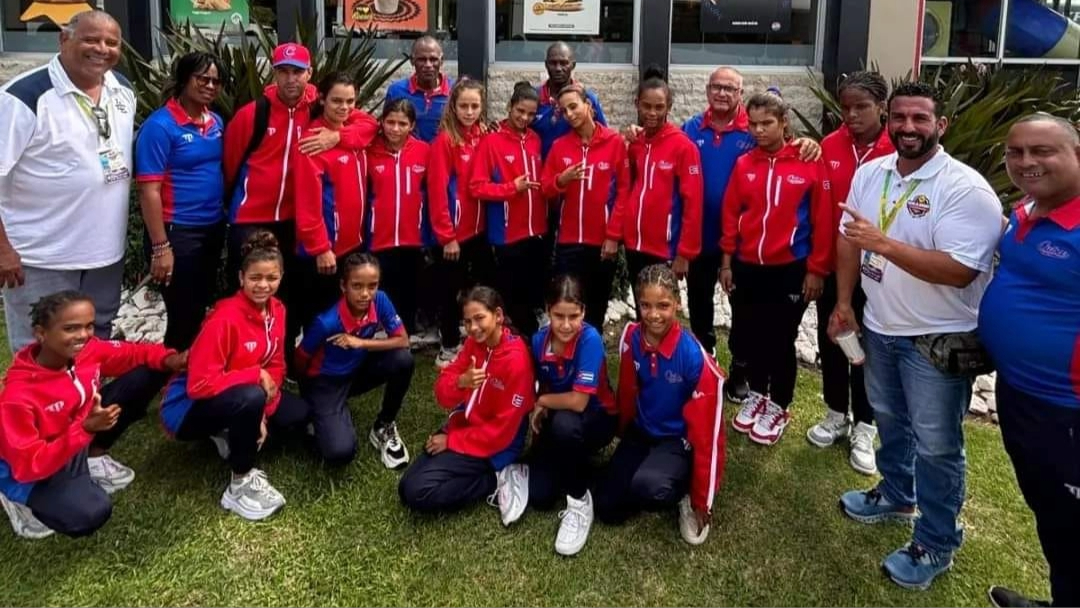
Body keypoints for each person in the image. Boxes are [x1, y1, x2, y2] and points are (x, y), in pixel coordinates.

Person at [830, 81, 1002, 590]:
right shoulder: (871, 173)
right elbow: (849, 242)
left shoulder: (964, 188)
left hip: (936, 340)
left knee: (937, 445)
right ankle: (896, 494)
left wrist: (882, 241)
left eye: (920, 118)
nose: (908, 127)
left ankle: (935, 542)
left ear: (940, 125)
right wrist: (844, 303)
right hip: (881, 327)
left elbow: (958, 272)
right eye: (900, 118)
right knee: (891, 421)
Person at [223, 42, 376, 371]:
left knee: (291, 293)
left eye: (298, 72)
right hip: (253, 217)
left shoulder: (317, 107)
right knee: (252, 291)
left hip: (295, 219)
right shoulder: (254, 113)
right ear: (275, 73)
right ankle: (241, 360)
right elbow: (232, 161)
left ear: (310, 75)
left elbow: (367, 125)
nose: (291, 79)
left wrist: (337, 137)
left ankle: (287, 359)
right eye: (284, 71)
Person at [979, 113, 1080, 608]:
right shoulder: (1027, 212)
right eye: (1016, 152)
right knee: (1053, 513)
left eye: (1043, 151)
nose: (1026, 162)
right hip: (1022, 396)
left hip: (1070, 409)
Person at [681, 67, 820, 403]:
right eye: (717, 86)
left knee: (749, 321)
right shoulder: (690, 129)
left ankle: (742, 373)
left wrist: (809, 143)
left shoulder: (754, 131)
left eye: (730, 88)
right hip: (703, 239)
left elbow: (786, 151)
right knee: (701, 308)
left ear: (740, 94)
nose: (722, 93)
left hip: (751, 251)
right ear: (707, 90)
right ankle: (704, 364)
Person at [0, 10, 135, 352]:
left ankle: (84, 402)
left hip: (104, 252)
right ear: (64, 39)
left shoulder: (123, 89)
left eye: (111, 42)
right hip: (42, 256)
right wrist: (3, 250)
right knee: (40, 345)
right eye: (90, 39)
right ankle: (40, 407)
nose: (101, 49)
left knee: (94, 336)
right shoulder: (23, 97)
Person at [0, 291, 185, 539]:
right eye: (70, 328)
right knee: (90, 513)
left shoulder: (87, 351)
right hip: (29, 468)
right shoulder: (18, 396)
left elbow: (133, 354)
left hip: (75, 437)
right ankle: (16, 498)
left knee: (149, 370)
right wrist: (84, 430)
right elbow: (28, 465)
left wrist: (170, 359)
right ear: (41, 333)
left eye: (88, 326)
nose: (84, 335)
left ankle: (92, 458)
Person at [159, 231, 310, 522]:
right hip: (186, 407)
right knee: (251, 396)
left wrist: (262, 414)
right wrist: (256, 376)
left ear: (280, 278)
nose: (263, 285)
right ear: (241, 278)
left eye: (271, 278)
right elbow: (200, 385)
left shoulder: (278, 310)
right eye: (255, 278)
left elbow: (277, 364)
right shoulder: (224, 319)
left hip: (237, 394)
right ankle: (240, 482)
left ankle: (229, 429)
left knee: (298, 416)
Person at [720, 90, 831, 446]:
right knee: (750, 334)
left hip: (790, 268)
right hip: (747, 265)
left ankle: (779, 403)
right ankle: (756, 394)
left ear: (784, 122)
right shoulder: (744, 164)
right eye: (752, 124)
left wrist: (816, 269)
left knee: (780, 338)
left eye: (766, 123)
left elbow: (823, 220)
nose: (758, 130)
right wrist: (726, 262)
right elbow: (730, 215)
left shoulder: (808, 161)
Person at [592, 264, 725, 547]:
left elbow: (709, 435)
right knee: (607, 508)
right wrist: (622, 430)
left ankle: (684, 491)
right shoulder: (632, 337)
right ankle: (642, 476)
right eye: (645, 305)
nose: (653, 315)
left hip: (678, 440)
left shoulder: (693, 357)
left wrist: (703, 498)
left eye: (663, 305)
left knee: (649, 487)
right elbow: (628, 390)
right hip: (642, 432)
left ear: (677, 304)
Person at [807, 71, 894, 474]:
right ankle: (835, 412)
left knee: (870, 350)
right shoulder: (829, 145)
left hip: (881, 273)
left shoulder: (899, 150)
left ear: (882, 107)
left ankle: (865, 424)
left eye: (861, 107)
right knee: (836, 339)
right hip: (834, 265)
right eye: (846, 108)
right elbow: (823, 213)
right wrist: (817, 267)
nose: (852, 115)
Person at [398, 286, 534, 526]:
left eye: (479, 318)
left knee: (415, 491)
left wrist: (451, 441)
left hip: (498, 446)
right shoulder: (474, 344)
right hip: (468, 426)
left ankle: (496, 478)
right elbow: (442, 392)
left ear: (498, 316)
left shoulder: (516, 361)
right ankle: (474, 467)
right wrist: (462, 382)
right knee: (415, 476)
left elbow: (502, 431)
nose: (473, 328)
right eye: (467, 321)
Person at [135, 51, 229, 351]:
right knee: (183, 312)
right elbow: (148, 190)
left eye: (216, 81)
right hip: (177, 231)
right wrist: (161, 246)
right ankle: (173, 377)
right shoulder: (160, 126)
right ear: (184, 79)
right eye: (203, 78)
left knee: (200, 304)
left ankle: (194, 369)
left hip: (211, 227)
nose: (210, 86)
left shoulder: (215, 121)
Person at [295, 253, 414, 469]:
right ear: (343, 286)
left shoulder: (381, 300)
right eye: (357, 286)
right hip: (326, 382)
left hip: (357, 370)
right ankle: (316, 416)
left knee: (403, 360)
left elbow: (403, 340)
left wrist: (360, 343)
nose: (365, 294)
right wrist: (309, 394)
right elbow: (301, 357)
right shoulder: (326, 322)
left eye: (372, 285)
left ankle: (384, 425)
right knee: (339, 453)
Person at [527, 274, 617, 556]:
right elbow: (546, 381)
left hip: (598, 418)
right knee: (540, 496)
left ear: (584, 313)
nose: (566, 325)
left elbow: (578, 402)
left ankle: (579, 502)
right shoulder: (538, 340)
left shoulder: (590, 339)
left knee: (566, 424)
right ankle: (577, 465)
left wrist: (541, 401)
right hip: (561, 416)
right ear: (547, 311)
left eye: (574, 316)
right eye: (558, 316)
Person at [605, 67, 703, 303]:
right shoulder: (637, 144)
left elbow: (693, 203)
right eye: (646, 106)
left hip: (665, 248)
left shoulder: (683, 147)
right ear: (636, 103)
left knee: (661, 308)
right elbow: (625, 187)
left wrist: (684, 253)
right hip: (634, 244)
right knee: (642, 305)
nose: (652, 112)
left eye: (659, 107)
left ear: (669, 107)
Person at [540, 83, 629, 330]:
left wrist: (613, 237)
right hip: (569, 242)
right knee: (568, 301)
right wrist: (561, 180)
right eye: (564, 110)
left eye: (573, 107)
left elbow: (624, 192)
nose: (569, 114)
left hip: (602, 242)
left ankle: (593, 356)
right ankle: (568, 354)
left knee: (597, 304)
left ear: (588, 106)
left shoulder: (614, 143)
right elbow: (545, 187)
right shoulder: (560, 146)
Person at [292, 72, 373, 333]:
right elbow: (307, 204)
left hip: (352, 243)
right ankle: (310, 368)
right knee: (319, 316)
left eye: (351, 101)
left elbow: (372, 124)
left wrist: (338, 136)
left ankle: (342, 362)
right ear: (323, 99)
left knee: (343, 312)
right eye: (337, 101)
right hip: (326, 250)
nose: (345, 107)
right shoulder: (312, 143)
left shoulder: (349, 129)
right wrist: (320, 247)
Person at [469, 82, 546, 339]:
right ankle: (522, 338)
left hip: (535, 231)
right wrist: (511, 188)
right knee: (510, 292)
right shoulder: (491, 141)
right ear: (510, 107)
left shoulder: (535, 139)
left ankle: (529, 336)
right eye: (520, 111)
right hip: (506, 233)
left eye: (531, 114)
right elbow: (477, 187)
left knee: (530, 288)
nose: (524, 118)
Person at [428, 78, 496, 368]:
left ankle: (478, 336)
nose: (469, 111)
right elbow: (437, 191)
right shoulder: (445, 141)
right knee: (447, 290)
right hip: (454, 236)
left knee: (479, 286)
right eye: (463, 106)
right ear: (453, 107)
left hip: (480, 231)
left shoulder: (483, 136)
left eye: (474, 106)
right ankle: (448, 344)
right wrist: (447, 236)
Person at [366, 99, 431, 338]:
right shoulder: (370, 149)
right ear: (381, 123)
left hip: (413, 235)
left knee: (410, 284)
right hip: (379, 235)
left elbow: (432, 190)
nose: (395, 128)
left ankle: (410, 329)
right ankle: (381, 327)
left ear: (412, 125)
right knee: (383, 284)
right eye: (390, 122)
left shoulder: (424, 150)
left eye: (402, 123)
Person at [533, 41, 608, 159]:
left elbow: (604, 136)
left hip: (577, 170)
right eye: (553, 63)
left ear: (573, 65)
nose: (558, 68)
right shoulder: (533, 97)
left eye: (564, 63)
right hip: (542, 171)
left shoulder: (588, 98)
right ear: (546, 65)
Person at [384, 36, 453, 143]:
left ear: (441, 61)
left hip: (444, 156)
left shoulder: (455, 91)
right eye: (422, 59)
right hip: (410, 157)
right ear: (412, 61)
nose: (428, 65)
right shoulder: (396, 91)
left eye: (433, 59)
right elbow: (386, 127)